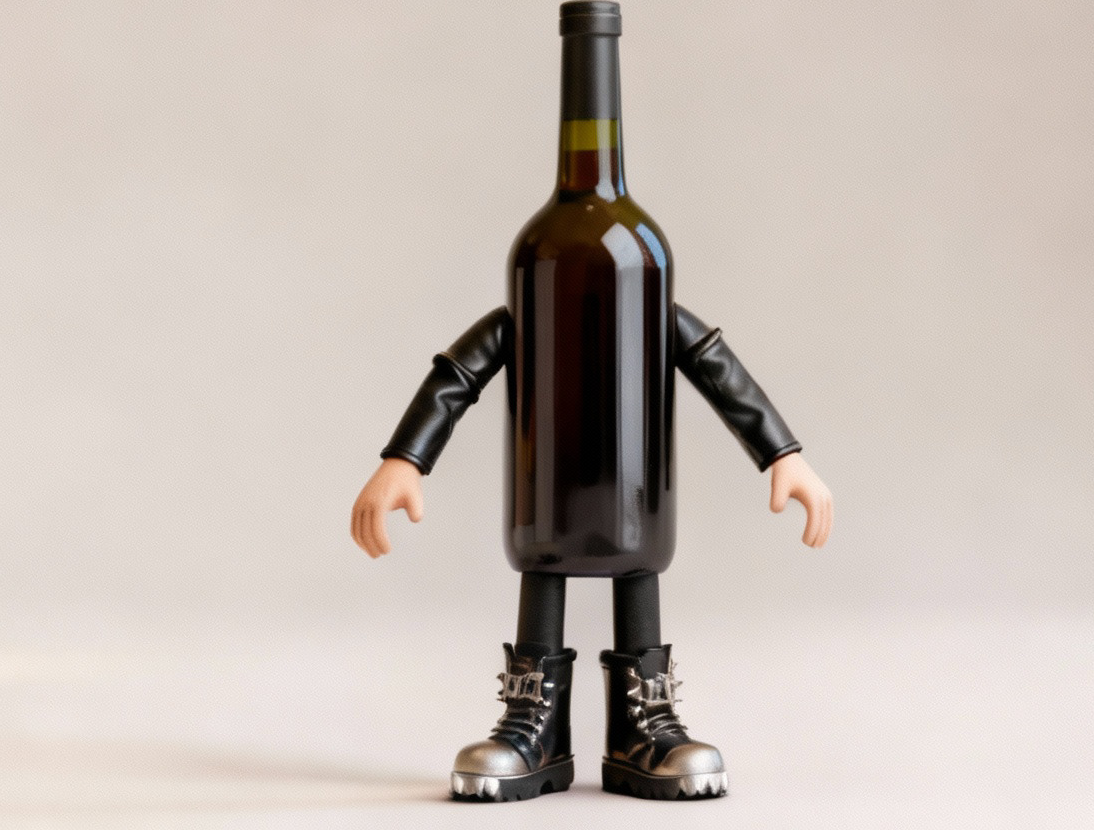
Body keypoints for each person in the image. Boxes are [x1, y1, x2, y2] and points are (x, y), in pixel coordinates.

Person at [351, 303, 832, 801]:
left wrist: (782, 452)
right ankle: (534, 725)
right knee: (544, 559)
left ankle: (643, 725)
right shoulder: (530, 303)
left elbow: (720, 372)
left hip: (638, 488)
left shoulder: (651, 302)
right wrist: (405, 457)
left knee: (637, 562)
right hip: (544, 485)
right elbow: (457, 376)